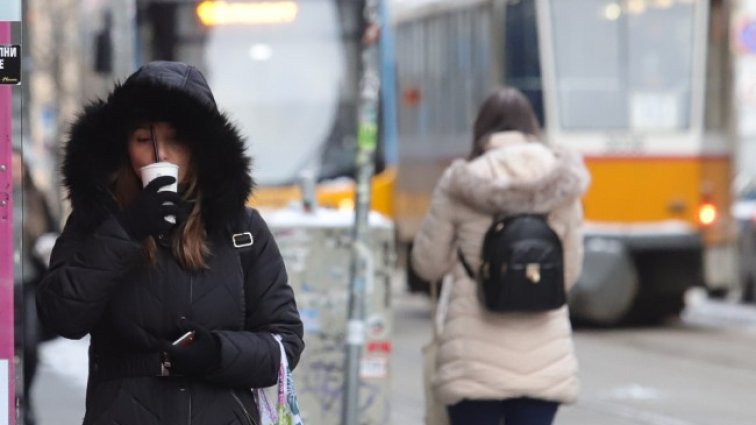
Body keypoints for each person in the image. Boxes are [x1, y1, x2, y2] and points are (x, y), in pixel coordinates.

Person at [36, 61, 304, 425]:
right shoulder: (97, 221)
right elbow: (60, 316)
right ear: (124, 148)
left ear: (200, 148)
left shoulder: (242, 230)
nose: (160, 156)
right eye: (143, 140)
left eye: (175, 139)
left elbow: (284, 344)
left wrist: (218, 354)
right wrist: (126, 230)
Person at [411, 87, 590, 425]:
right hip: (544, 361)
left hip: (472, 360)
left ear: (481, 130)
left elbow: (427, 264)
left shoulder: (459, 183)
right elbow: (569, 273)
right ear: (531, 128)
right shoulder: (561, 184)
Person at [12, 148, 58, 425]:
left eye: (19, 166)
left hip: (29, 282)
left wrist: (46, 245)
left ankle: (24, 398)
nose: (15, 171)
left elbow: (53, 233)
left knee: (29, 344)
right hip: (3, 284)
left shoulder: (35, 198)